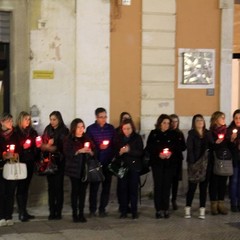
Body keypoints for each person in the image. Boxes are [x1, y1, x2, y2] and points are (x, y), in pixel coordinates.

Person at [146, 114, 178, 219]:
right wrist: (158, 154)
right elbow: (149, 147)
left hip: (169, 164)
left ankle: (166, 208)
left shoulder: (173, 134)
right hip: (157, 163)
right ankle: (158, 209)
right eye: (164, 123)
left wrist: (170, 153)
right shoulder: (154, 133)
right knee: (158, 186)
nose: (166, 125)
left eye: (168, 123)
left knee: (167, 186)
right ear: (159, 123)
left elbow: (176, 147)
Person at [64, 118, 95, 223]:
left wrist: (91, 152)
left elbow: (94, 151)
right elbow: (67, 152)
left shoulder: (86, 138)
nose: (81, 129)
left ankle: (81, 213)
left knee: (83, 192)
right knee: (75, 192)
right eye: (79, 127)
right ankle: (74, 214)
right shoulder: (70, 139)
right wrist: (78, 151)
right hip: (74, 169)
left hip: (85, 169)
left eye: (82, 126)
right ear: (74, 128)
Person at [86, 107, 116, 217]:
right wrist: (99, 148)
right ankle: (92, 209)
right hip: (96, 162)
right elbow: (89, 144)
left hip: (107, 162)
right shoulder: (91, 129)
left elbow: (114, 143)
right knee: (94, 187)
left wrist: (112, 154)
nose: (103, 119)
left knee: (106, 187)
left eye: (105, 117)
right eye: (101, 117)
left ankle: (102, 209)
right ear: (96, 117)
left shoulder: (110, 128)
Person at [41, 111, 69, 220]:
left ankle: (58, 211)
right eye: (51, 119)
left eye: (54, 119)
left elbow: (64, 146)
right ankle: (52, 211)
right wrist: (47, 146)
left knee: (58, 188)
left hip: (59, 162)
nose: (52, 122)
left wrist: (55, 146)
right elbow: (43, 143)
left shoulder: (64, 130)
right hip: (49, 162)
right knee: (51, 188)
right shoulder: (48, 129)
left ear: (59, 119)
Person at [184, 114, 212, 219]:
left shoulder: (208, 134)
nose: (200, 122)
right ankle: (187, 208)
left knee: (203, 188)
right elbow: (190, 150)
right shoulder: (191, 134)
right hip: (194, 164)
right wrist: (193, 163)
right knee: (192, 187)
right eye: (197, 120)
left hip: (205, 164)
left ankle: (202, 210)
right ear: (194, 123)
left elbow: (212, 145)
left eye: (202, 120)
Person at [114, 118, 143, 219]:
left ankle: (134, 211)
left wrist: (129, 150)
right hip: (122, 166)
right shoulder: (118, 138)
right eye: (125, 129)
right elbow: (115, 152)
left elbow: (140, 152)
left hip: (134, 166)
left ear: (132, 128)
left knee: (133, 189)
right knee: (122, 189)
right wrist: (120, 152)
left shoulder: (137, 137)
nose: (127, 131)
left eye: (129, 128)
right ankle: (123, 210)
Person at [15, 111, 41, 222]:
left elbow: (36, 145)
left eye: (29, 119)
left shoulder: (32, 132)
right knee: (21, 187)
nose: (28, 121)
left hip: (30, 161)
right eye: (26, 119)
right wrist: (22, 147)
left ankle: (24, 211)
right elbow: (13, 147)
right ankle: (21, 212)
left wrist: (38, 146)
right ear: (21, 120)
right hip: (20, 162)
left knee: (26, 187)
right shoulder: (16, 132)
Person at [0, 113, 20, 226]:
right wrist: (3, 155)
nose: (11, 123)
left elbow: (20, 147)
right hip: (1, 167)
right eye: (8, 121)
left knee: (10, 192)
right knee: (1, 192)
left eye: (11, 121)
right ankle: (1, 216)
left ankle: (9, 216)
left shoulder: (15, 135)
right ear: (2, 122)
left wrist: (16, 154)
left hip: (12, 167)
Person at [209, 111, 230, 215]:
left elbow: (230, 146)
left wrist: (233, 139)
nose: (223, 119)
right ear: (216, 119)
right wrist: (216, 143)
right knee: (214, 182)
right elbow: (209, 147)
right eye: (221, 117)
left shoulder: (227, 131)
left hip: (224, 160)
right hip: (214, 160)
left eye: (224, 117)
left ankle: (221, 204)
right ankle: (213, 205)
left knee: (222, 182)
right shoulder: (211, 132)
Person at [169, 114, 186, 210]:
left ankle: (174, 200)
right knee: (168, 181)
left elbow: (184, 146)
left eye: (176, 121)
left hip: (177, 160)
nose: (175, 123)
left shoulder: (180, 133)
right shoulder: (168, 133)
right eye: (173, 121)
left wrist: (178, 147)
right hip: (169, 160)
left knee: (175, 181)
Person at [228, 109, 240, 212]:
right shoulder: (230, 129)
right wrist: (232, 140)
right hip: (234, 159)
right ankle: (233, 203)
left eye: (239, 118)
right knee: (234, 181)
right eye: (236, 118)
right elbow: (227, 146)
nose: (238, 120)